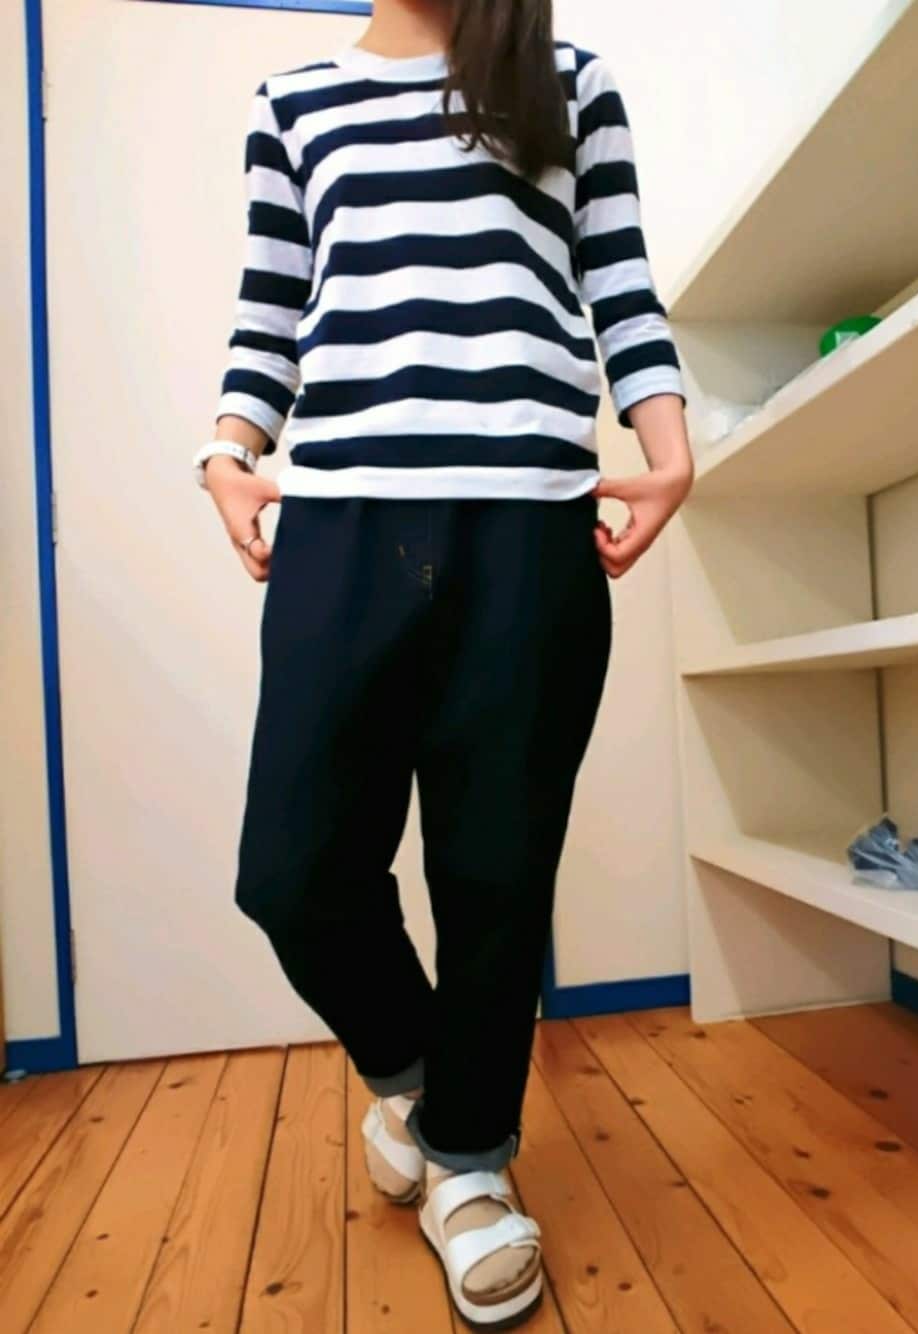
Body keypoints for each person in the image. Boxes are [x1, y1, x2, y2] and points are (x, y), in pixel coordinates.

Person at [192, 0, 692, 1325]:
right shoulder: (293, 104)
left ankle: (470, 1166)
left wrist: (668, 445)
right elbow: (272, 303)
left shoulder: (568, 79)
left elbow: (619, 280)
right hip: (342, 527)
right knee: (292, 870)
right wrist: (229, 448)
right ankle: (421, 1084)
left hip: (529, 527)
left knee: (494, 876)